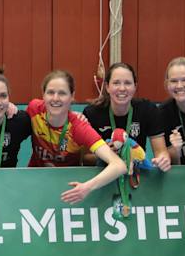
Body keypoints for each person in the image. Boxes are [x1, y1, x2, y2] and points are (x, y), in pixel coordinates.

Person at [27, 70, 127, 204]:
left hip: (68, 189)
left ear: (72, 96)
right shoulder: (34, 109)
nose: (55, 98)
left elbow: (119, 165)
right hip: (35, 183)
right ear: (43, 95)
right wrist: (9, 107)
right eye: (50, 92)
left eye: (62, 93)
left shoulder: (79, 127)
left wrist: (87, 187)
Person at [82, 62, 171, 171]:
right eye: (116, 83)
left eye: (128, 83)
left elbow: (161, 152)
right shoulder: (92, 113)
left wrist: (162, 160)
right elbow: (85, 158)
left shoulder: (148, 110)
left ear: (135, 87)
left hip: (136, 173)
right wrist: (106, 154)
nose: (122, 88)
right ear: (107, 87)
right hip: (104, 173)